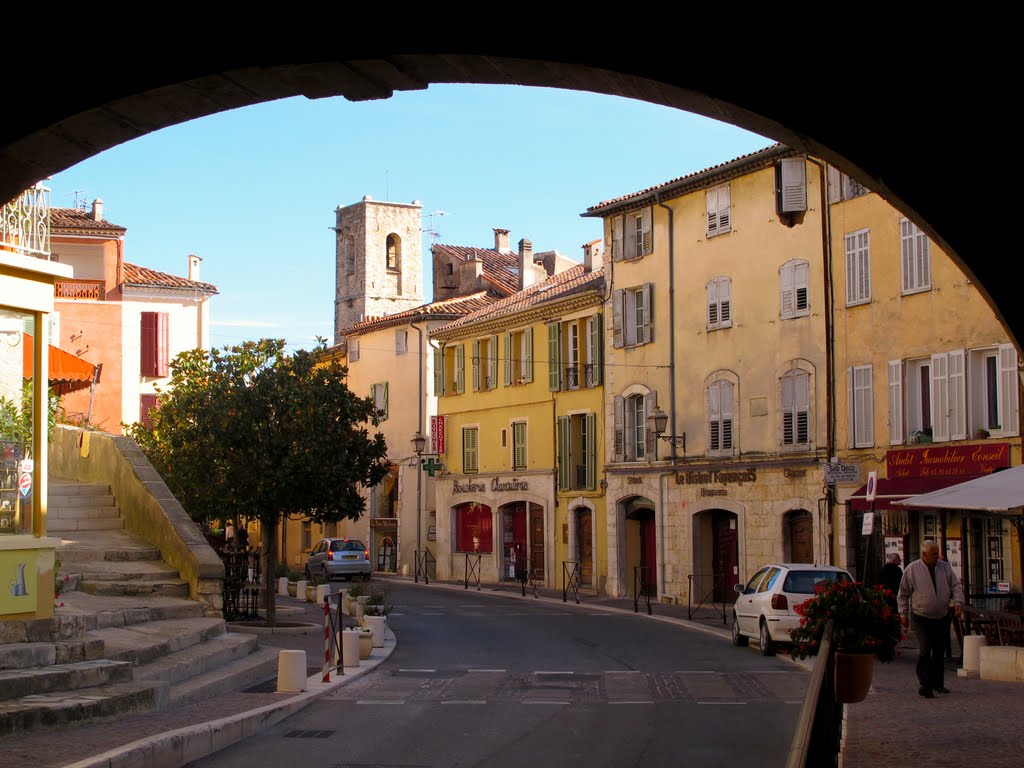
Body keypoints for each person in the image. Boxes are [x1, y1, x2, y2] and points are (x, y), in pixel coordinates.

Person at [897, 540, 964, 698]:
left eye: (937, 553)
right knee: (926, 649)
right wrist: (903, 614)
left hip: (942, 615)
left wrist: (959, 601)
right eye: (934, 554)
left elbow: (955, 586)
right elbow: (903, 593)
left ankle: (938, 684)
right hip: (921, 616)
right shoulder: (912, 569)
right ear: (924, 555)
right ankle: (925, 683)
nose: (937, 556)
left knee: (939, 651)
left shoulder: (945, 567)